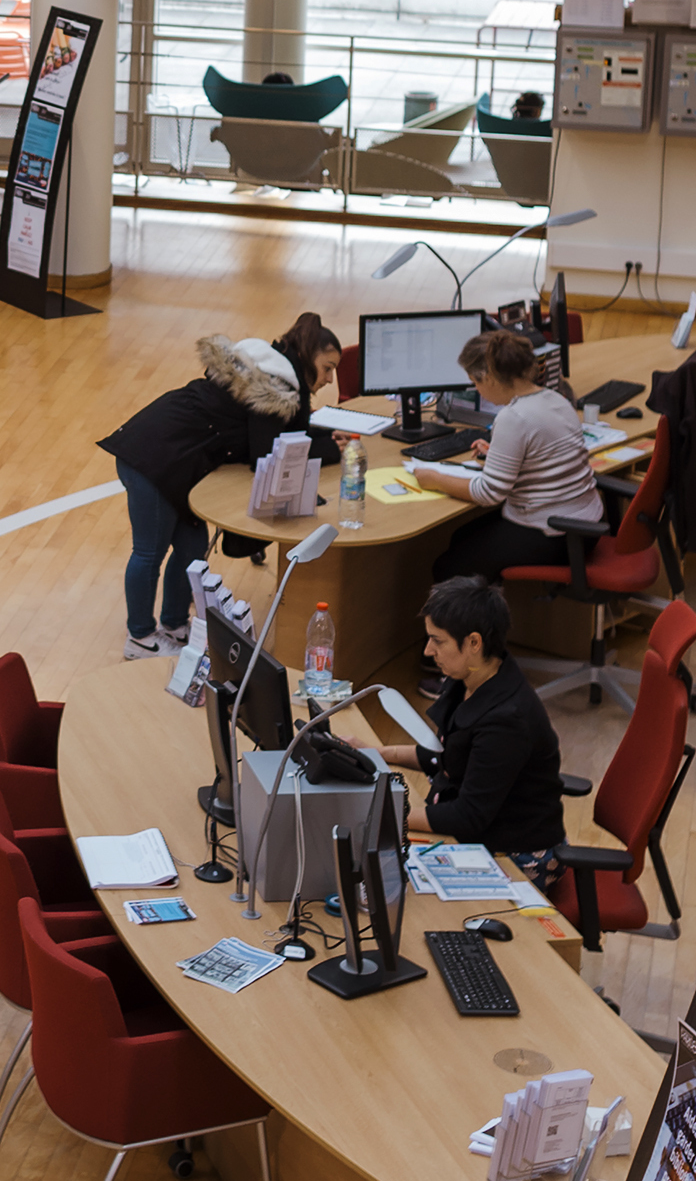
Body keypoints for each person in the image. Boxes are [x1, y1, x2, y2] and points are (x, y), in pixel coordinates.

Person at [99, 311, 344, 657]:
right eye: (328, 367)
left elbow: (280, 433)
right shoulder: (273, 386)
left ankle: (174, 624)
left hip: (180, 460)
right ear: (307, 358)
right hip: (152, 457)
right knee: (149, 551)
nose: (331, 379)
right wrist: (328, 447)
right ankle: (139, 636)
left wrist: (323, 438)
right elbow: (267, 452)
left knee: (190, 549)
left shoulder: (270, 375)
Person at [378, 575, 566, 874]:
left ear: (474, 642)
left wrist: (384, 814)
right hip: (476, 833)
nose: (428, 650)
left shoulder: (507, 720)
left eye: (438, 641)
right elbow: (447, 753)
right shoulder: (472, 677)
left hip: (517, 855)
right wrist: (376, 753)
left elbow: (468, 817)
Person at [409, 323, 606, 580]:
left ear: (488, 378)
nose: (477, 390)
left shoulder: (513, 417)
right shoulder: (555, 398)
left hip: (555, 533)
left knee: (448, 567)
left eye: (475, 383)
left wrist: (434, 479)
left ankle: (479, 616)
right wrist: (500, 453)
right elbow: (542, 455)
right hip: (586, 525)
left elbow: (488, 493)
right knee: (460, 536)